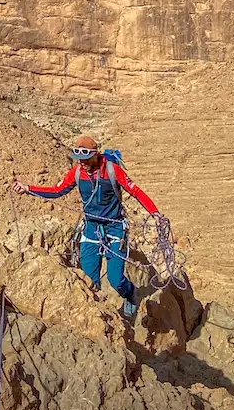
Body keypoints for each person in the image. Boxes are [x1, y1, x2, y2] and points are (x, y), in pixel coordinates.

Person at [11, 133, 162, 320]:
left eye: (84, 159)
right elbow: (57, 191)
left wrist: (155, 213)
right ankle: (100, 316)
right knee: (90, 280)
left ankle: (130, 294)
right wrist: (28, 188)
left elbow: (135, 191)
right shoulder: (77, 173)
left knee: (115, 280)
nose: (81, 162)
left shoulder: (112, 170)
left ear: (95, 155)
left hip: (115, 229)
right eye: (78, 159)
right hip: (91, 228)